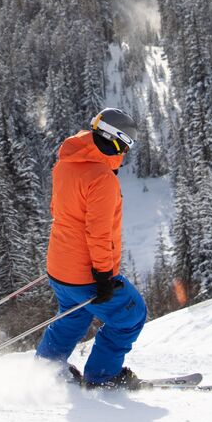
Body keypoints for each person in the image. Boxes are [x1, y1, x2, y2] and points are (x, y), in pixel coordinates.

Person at [35, 107, 147, 387]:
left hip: (59, 266)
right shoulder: (102, 178)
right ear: (115, 140)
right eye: (126, 144)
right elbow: (98, 233)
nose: (126, 151)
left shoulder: (66, 164)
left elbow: (57, 210)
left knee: (75, 315)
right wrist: (103, 275)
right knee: (131, 316)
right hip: (86, 272)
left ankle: (45, 370)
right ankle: (103, 376)